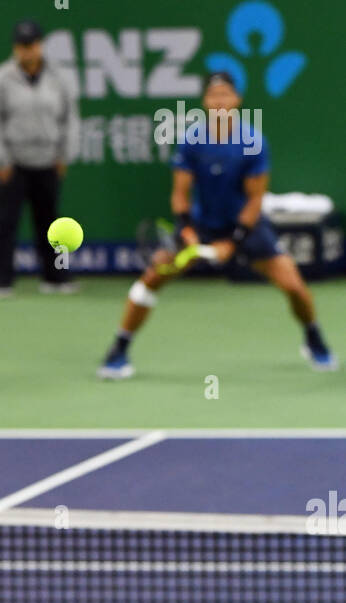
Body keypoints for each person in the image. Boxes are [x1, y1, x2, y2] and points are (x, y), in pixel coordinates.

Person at [99, 72, 338, 378]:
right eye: (214, 96)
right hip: (202, 225)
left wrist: (234, 241)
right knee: (151, 279)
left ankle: (313, 337)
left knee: (294, 287)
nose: (220, 102)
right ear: (205, 102)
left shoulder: (253, 142)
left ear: (237, 100)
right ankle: (119, 349)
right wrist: (186, 229)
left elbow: (255, 200)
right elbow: (180, 193)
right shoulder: (191, 141)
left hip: (246, 226)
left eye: (226, 95)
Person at [0, 19, 81, 299]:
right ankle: (3, 282)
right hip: (12, 163)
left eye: (33, 45)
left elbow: (70, 118)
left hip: (48, 160)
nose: (28, 51)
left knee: (51, 224)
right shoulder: (0, 77)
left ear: (41, 45)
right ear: (16, 48)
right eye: (22, 46)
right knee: (6, 223)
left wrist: (65, 154)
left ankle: (55, 278)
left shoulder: (60, 77)